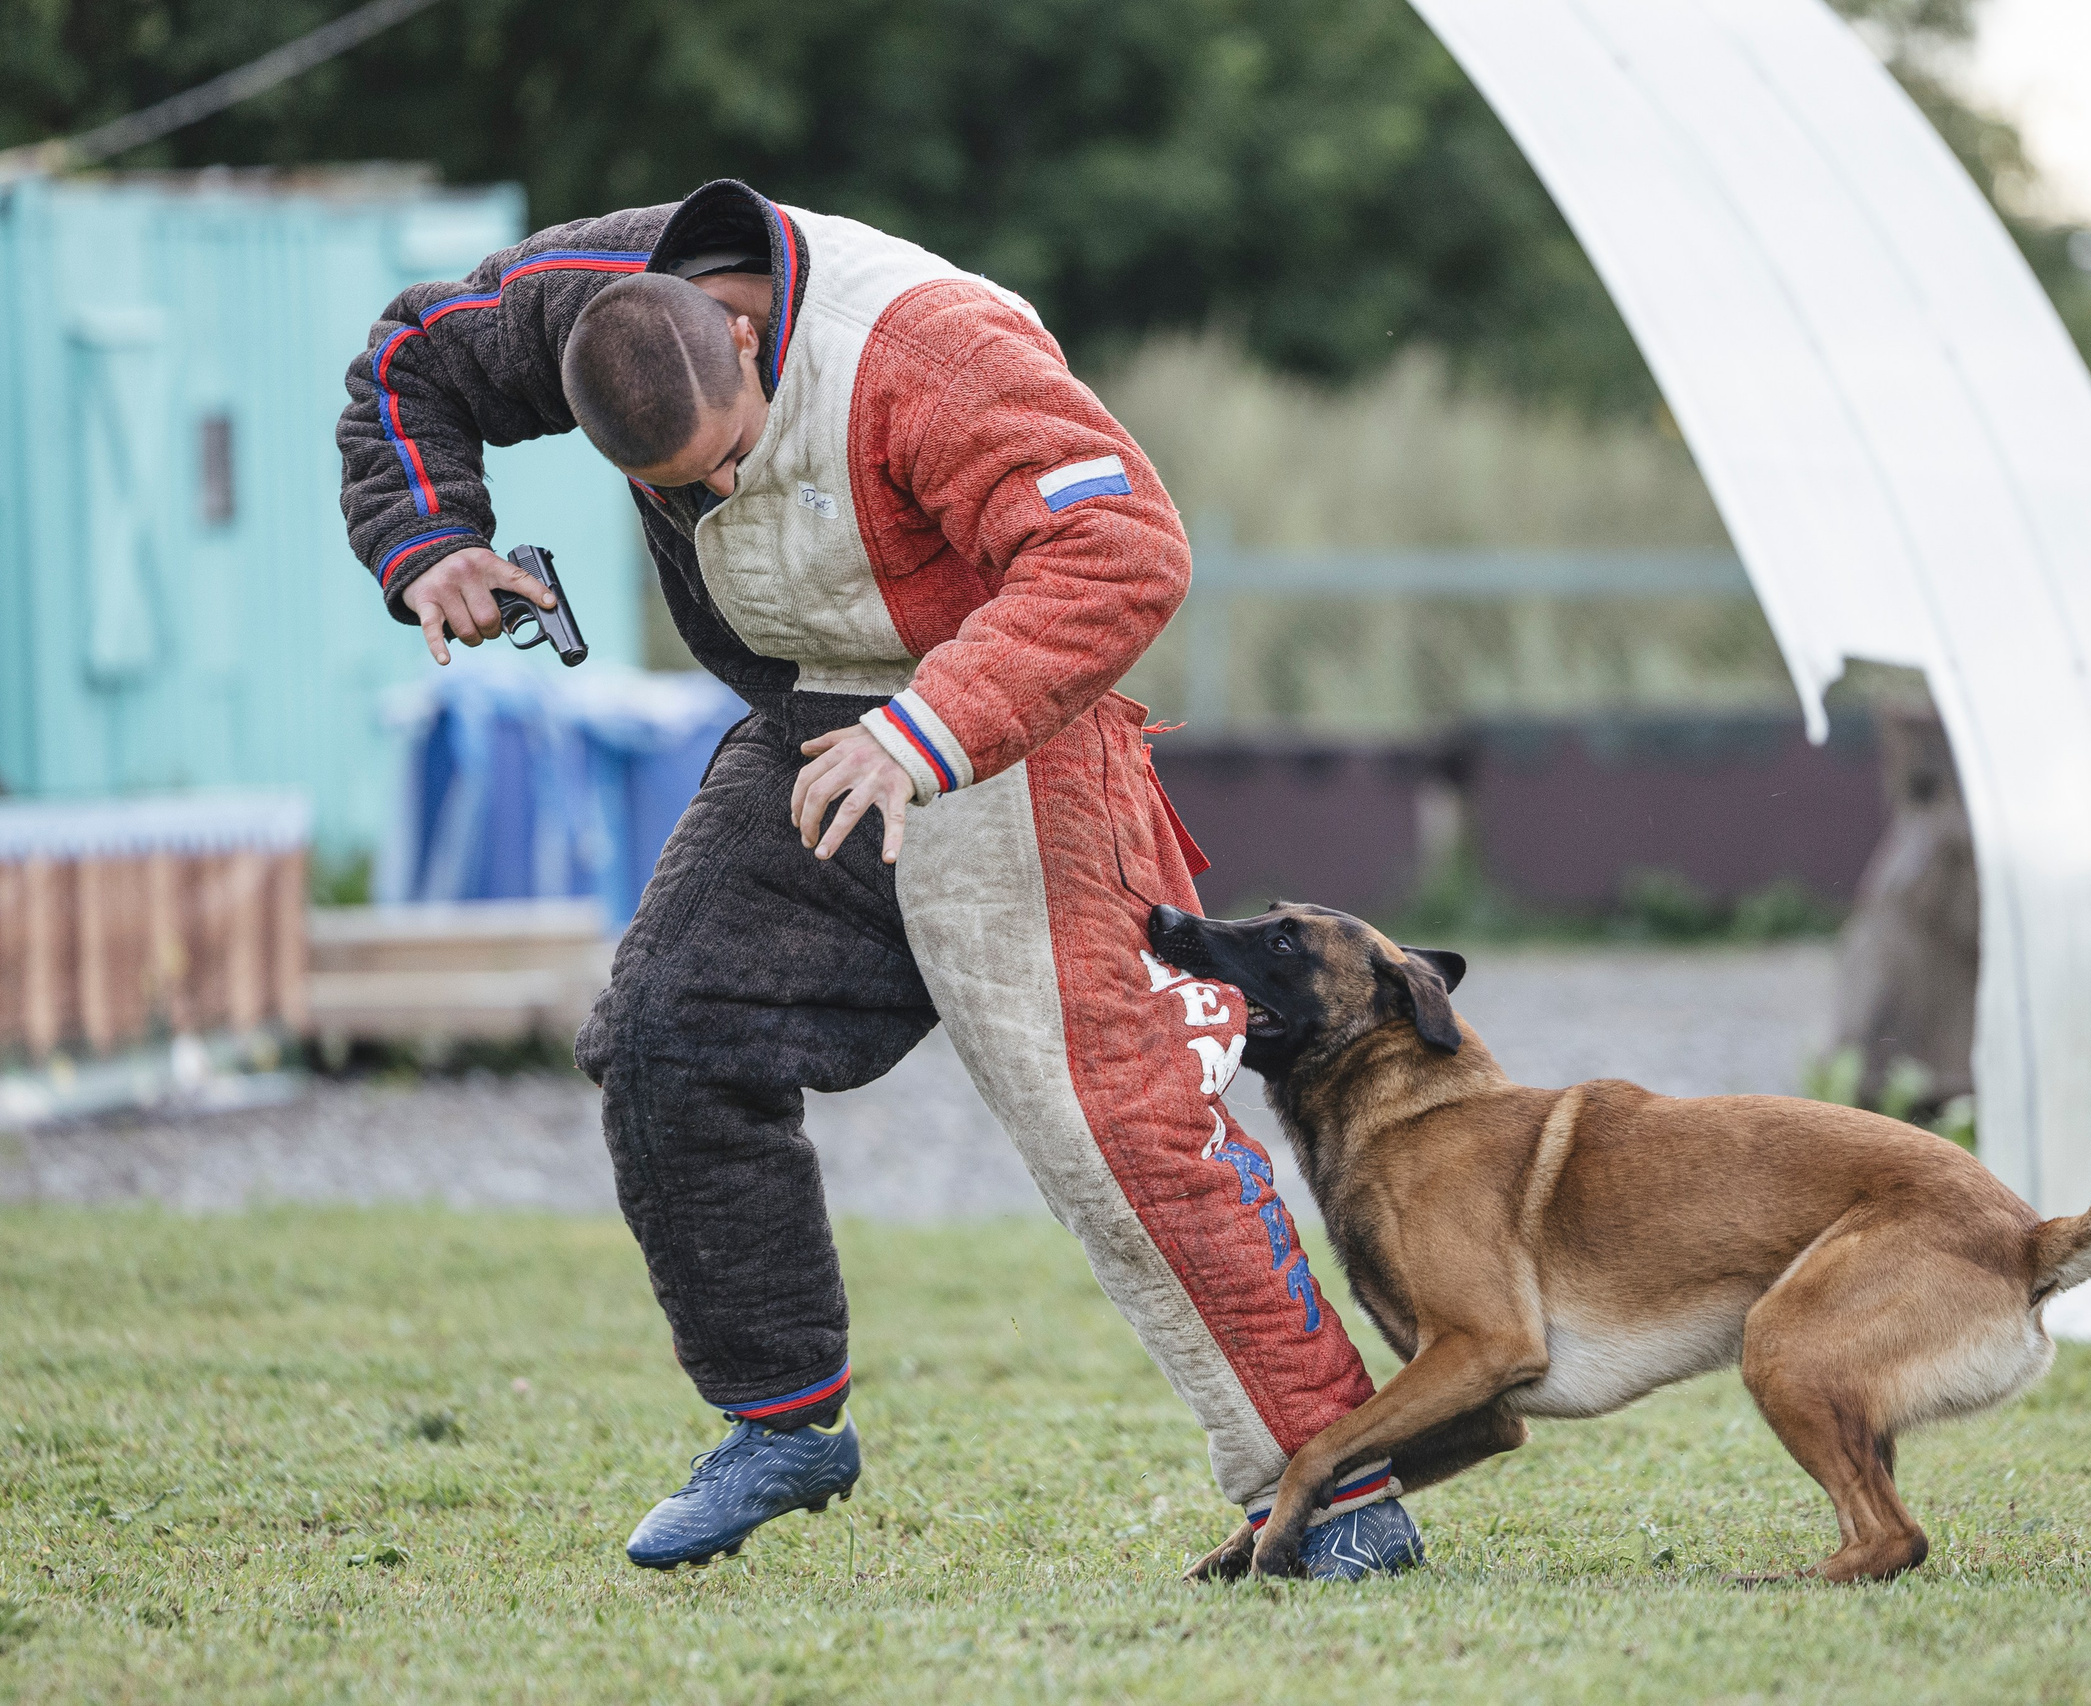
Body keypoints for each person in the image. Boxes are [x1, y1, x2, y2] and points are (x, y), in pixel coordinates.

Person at [336, 177, 1422, 1578]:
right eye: (680, 493)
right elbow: (409, 357)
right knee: (668, 1030)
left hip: (1007, 720)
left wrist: (929, 727)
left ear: (740, 339)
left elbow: (1124, 549)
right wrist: (430, 541)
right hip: (812, 721)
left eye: (724, 463)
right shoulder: (577, 299)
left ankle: (1335, 1492)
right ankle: (780, 1417)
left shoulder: (930, 354)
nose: (714, 496)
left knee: (1116, 1122)